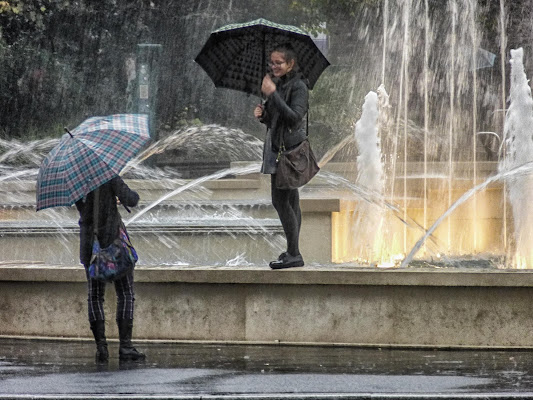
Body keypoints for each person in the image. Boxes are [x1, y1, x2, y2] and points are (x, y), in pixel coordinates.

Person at [75, 176, 145, 363]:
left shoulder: (76, 181)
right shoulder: (108, 175)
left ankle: (101, 348)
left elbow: (86, 209)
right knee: (126, 293)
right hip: (113, 244)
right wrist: (119, 197)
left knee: (95, 296)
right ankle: (126, 346)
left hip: (90, 247)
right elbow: (132, 199)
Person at [254, 44, 309, 269]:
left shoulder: (299, 87)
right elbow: (276, 119)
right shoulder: (279, 84)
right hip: (277, 149)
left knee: (281, 201)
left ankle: (294, 253)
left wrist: (273, 94)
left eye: (279, 63)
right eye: (272, 62)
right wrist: (263, 115)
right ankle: (292, 252)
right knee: (291, 201)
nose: (274, 66)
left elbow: (294, 118)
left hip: (288, 153)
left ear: (290, 64)